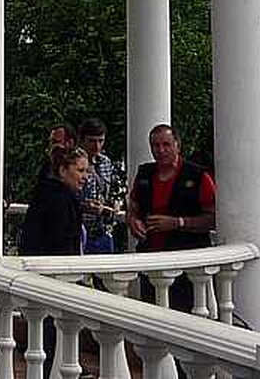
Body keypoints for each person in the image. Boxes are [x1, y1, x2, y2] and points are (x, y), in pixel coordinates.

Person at [126, 124, 216, 312]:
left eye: (166, 145)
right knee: (151, 314)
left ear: (177, 145)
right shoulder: (144, 173)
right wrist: (133, 221)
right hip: (151, 261)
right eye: (155, 145)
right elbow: (133, 208)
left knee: (184, 316)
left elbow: (213, 218)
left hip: (186, 264)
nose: (161, 150)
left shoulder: (198, 176)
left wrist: (178, 223)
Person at [21, 145, 90, 377]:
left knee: (46, 337)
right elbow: (60, 241)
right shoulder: (61, 199)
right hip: (54, 277)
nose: (85, 176)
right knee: (51, 334)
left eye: (86, 171)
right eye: (80, 170)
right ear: (63, 170)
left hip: (43, 275)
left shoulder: (47, 193)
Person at [78, 117, 118, 254]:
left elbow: (112, 189)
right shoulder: (73, 163)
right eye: (92, 141)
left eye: (100, 141)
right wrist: (85, 206)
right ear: (82, 140)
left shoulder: (105, 162)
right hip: (81, 229)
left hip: (103, 229)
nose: (96, 146)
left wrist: (114, 203)